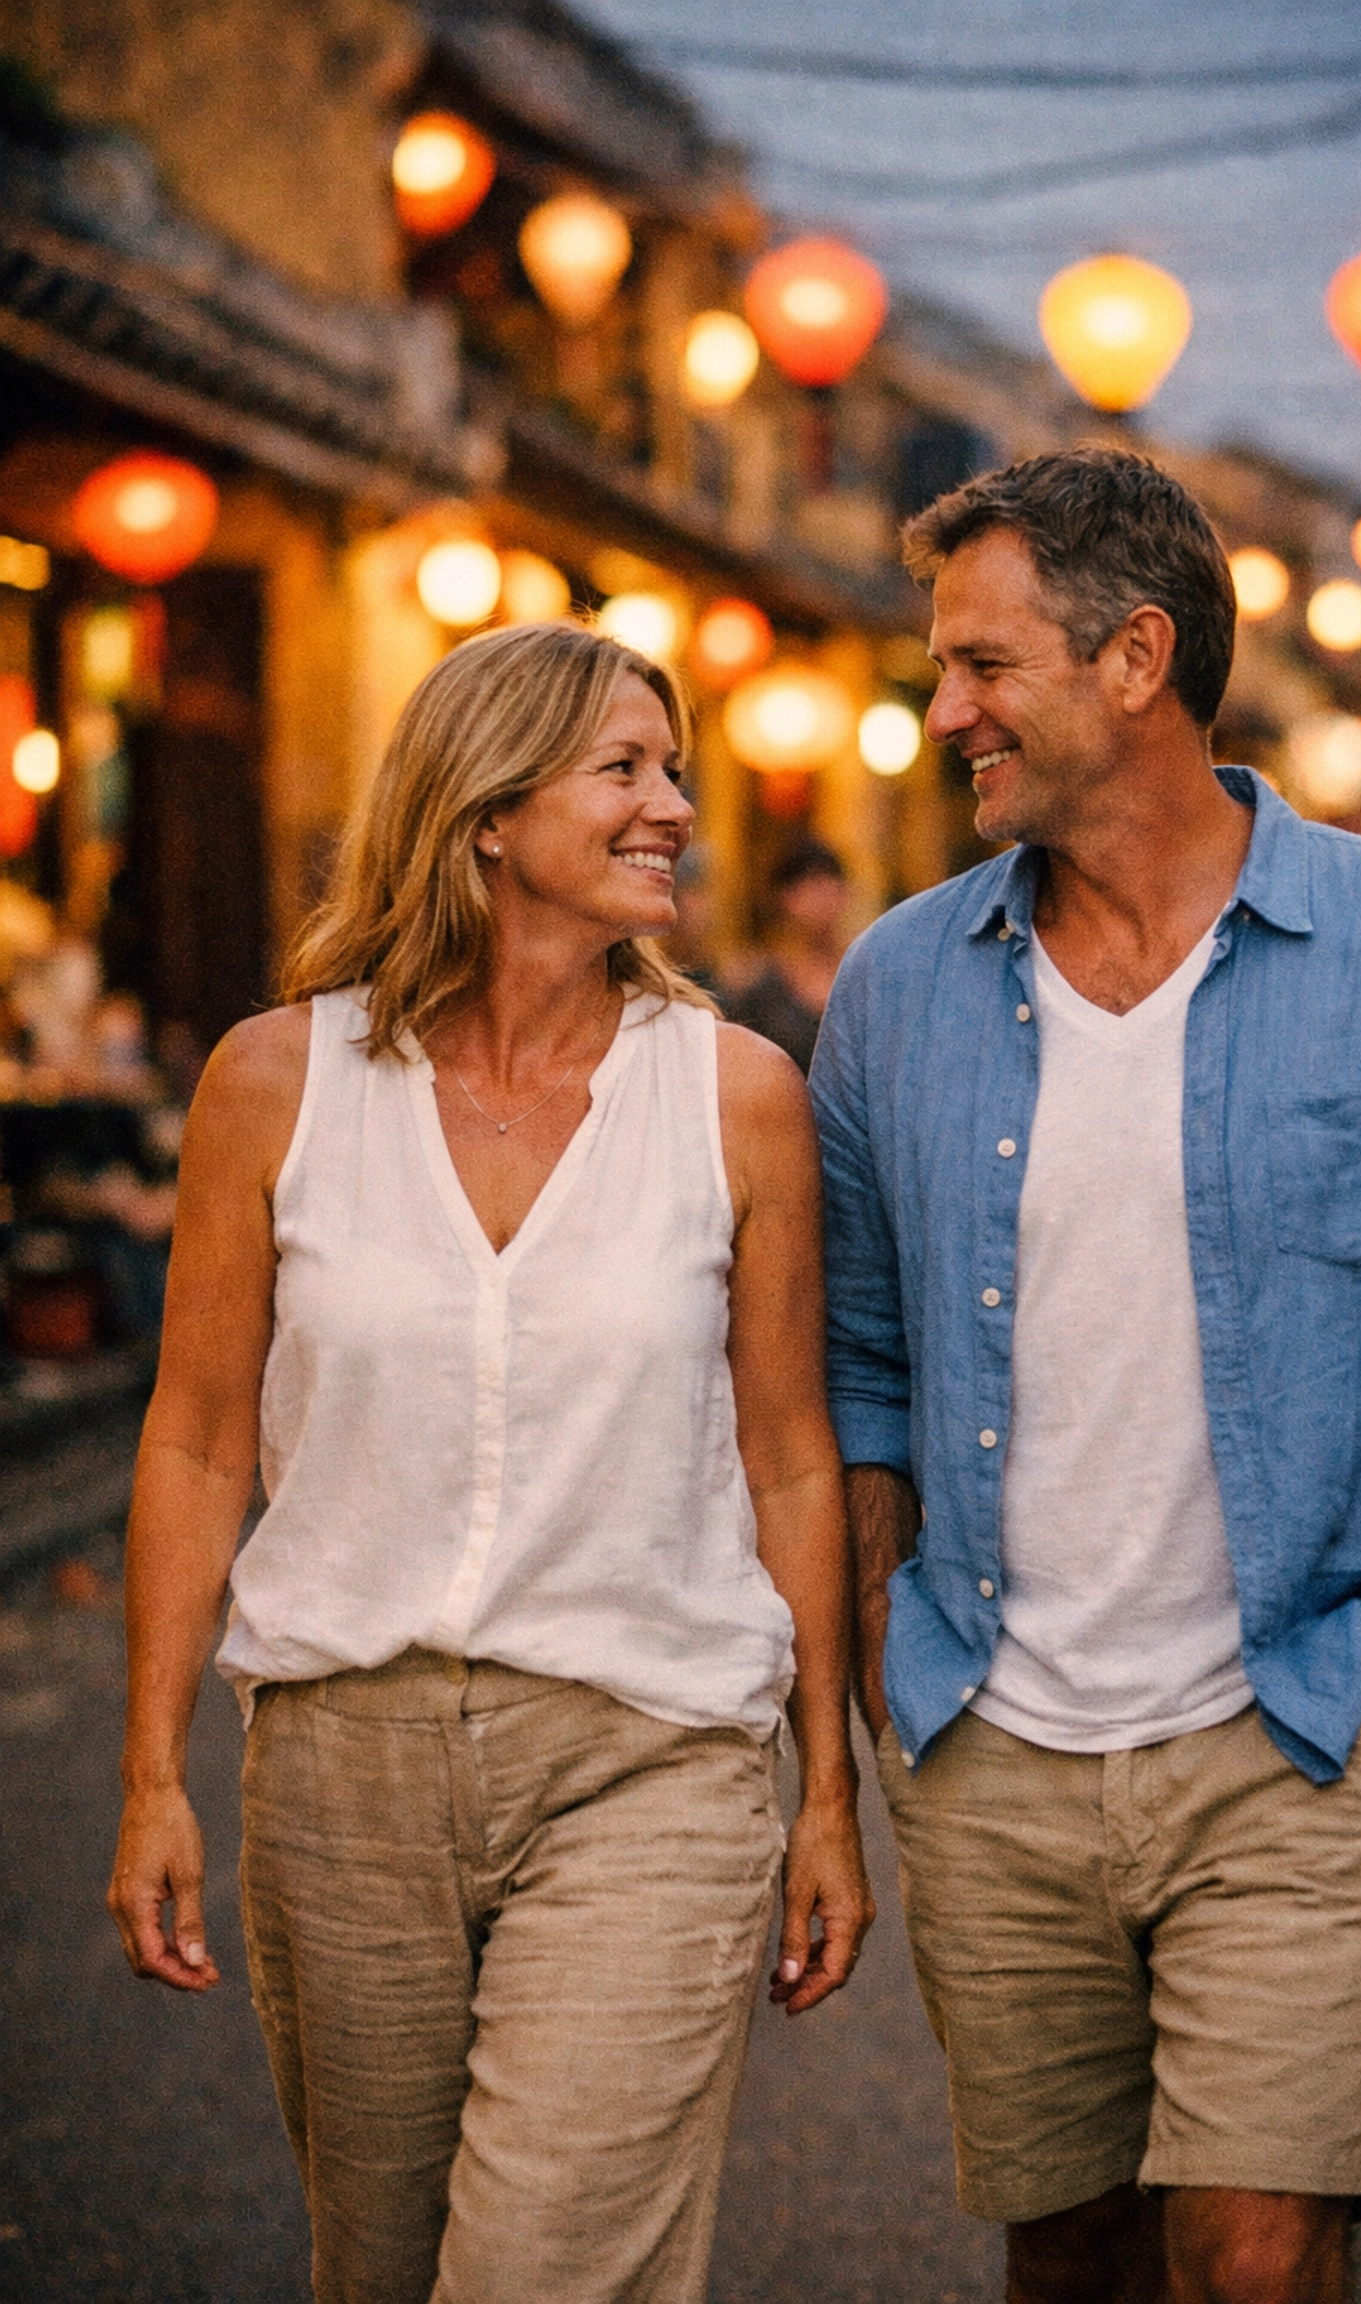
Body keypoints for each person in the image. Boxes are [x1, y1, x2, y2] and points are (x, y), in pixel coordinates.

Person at [810, 448, 1361, 2304]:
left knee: (1254, 2253)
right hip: (999, 1737)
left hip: (1291, 1722)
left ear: (1136, 658)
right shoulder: (896, 987)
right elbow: (868, 1364)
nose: (944, 705)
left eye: (983, 664)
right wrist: (894, 1629)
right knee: (1070, 2253)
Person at [108, 621, 873, 2304]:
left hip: (650, 1757)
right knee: (376, 2269)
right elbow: (194, 1432)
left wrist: (826, 1790)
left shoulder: (738, 1097)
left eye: (673, 767)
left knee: (538, 2272)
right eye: (626, 768)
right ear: (482, 815)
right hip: (343, 1767)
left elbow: (791, 1456)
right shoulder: (275, 1079)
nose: (674, 804)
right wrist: (154, 1763)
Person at [721, 838, 849, 1075]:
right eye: (810, 886)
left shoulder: (859, 976)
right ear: (785, 898)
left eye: (831, 883)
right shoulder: (759, 988)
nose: (823, 898)